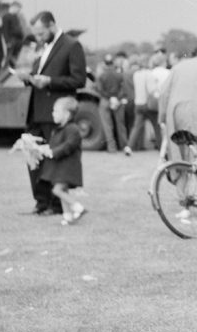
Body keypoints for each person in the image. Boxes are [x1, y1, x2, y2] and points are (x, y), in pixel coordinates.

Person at [17, 11, 87, 215]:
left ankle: (56, 205)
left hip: (56, 112)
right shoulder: (42, 47)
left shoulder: (71, 45)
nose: (37, 38)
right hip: (36, 109)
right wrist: (27, 77)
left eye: (40, 33)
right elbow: (38, 74)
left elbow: (78, 80)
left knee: (53, 160)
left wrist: (50, 81)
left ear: (52, 25)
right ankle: (40, 201)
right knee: (33, 155)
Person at [39, 96, 87, 226]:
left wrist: (52, 153)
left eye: (56, 111)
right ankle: (68, 216)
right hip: (60, 168)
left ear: (66, 114)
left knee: (57, 190)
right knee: (62, 191)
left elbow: (68, 146)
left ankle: (78, 207)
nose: (53, 114)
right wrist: (43, 149)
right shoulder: (58, 130)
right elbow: (54, 145)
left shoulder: (73, 129)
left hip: (68, 168)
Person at [95, 53, 127, 153]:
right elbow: (123, 89)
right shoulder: (119, 75)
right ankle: (124, 146)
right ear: (113, 63)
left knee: (107, 126)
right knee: (120, 125)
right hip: (117, 100)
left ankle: (111, 148)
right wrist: (116, 98)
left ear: (104, 64)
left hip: (105, 100)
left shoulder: (101, 76)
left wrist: (109, 97)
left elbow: (99, 90)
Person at [0, 1, 26, 70]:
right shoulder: (6, 17)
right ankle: (4, 71)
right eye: (18, 9)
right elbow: (5, 30)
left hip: (18, 40)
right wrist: (7, 41)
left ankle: (11, 70)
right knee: (9, 56)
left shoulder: (15, 16)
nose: (19, 11)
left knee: (15, 56)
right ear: (14, 7)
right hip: (11, 40)